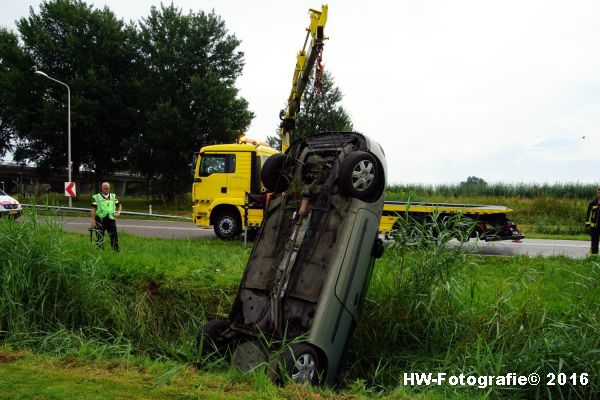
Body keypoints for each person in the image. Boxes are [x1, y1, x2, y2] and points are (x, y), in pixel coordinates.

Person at [91, 182, 122, 251]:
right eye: (105, 188)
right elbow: (93, 209)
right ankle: (100, 251)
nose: (107, 190)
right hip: (100, 219)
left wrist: (119, 212)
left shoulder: (113, 196)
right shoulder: (96, 197)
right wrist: (93, 221)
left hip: (111, 219)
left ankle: (115, 251)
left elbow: (119, 205)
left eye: (108, 188)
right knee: (99, 237)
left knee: (114, 236)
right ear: (102, 188)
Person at [585, 187, 600, 255]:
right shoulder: (592, 203)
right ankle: (593, 258)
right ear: (597, 193)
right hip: (594, 228)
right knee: (594, 244)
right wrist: (588, 225)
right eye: (598, 193)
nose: (599, 194)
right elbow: (588, 215)